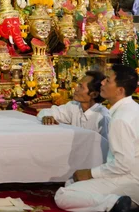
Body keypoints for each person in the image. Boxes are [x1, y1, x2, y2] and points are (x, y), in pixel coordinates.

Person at [55, 64, 139, 212]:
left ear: (120, 90)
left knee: (63, 195)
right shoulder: (133, 108)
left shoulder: (120, 119)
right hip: (129, 176)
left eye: (108, 80)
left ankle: (114, 203)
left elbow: (123, 165)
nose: (102, 83)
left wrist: (90, 173)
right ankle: (118, 203)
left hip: (130, 180)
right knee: (71, 183)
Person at [38, 71, 110, 139]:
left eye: (81, 87)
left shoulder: (103, 117)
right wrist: (47, 117)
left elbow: (106, 146)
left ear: (94, 94)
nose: (76, 88)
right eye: (78, 85)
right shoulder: (74, 106)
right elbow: (44, 112)